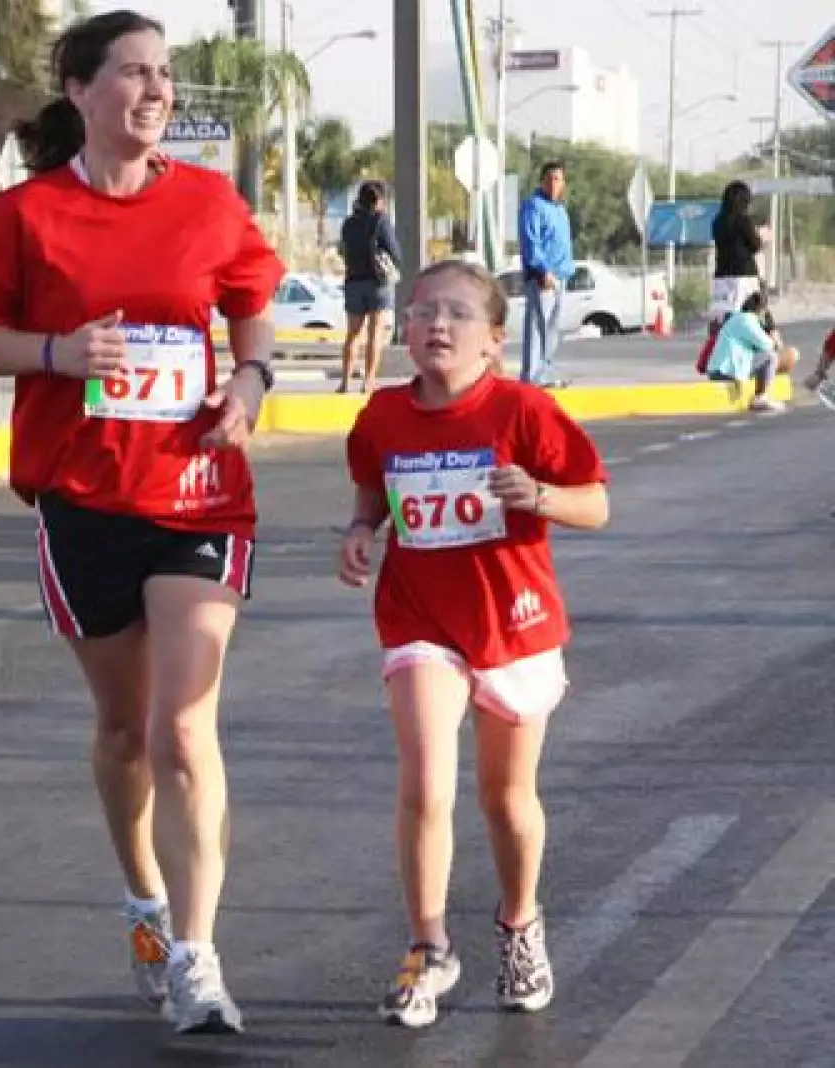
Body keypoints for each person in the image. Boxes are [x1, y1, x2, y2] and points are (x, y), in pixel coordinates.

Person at [0, 10, 283, 1035]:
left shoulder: (209, 202)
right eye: (133, 72)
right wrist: (59, 355)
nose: (155, 89)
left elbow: (251, 300)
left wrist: (250, 381)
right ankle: (143, 901)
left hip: (200, 494)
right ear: (79, 90)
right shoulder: (25, 216)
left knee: (182, 726)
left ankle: (197, 959)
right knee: (125, 731)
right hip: (83, 499)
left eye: (164, 74)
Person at [338, 260, 610, 1029]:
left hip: (515, 624)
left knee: (505, 799)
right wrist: (362, 533)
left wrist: (542, 495)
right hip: (420, 618)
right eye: (422, 312)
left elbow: (597, 503)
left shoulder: (523, 411)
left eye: (457, 314)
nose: (436, 326)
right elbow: (372, 489)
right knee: (425, 781)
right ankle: (428, 945)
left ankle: (521, 924)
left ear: (494, 340)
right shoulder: (383, 417)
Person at [338, 180, 403, 394]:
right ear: (380, 201)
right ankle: (368, 381)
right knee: (375, 335)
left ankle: (345, 382)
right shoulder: (381, 221)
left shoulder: (348, 224)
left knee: (352, 334)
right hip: (377, 283)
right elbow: (395, 252)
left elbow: (343, 251)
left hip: (354, 282)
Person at [517, 162, 574, 388]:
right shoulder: (533, 206)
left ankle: (546, 373)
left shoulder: (560, 211)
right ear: (542, 181)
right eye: (550, 178)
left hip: (560, 277)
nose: (554, 183)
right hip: (543, 278)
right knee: (537, 327)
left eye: (558, 179)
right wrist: (542, 270)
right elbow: (531, 241)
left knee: (551, 329)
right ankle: (531, 377)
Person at [704, 292, 789, 414]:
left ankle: (759, 395)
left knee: (765, 357)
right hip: (725, 372)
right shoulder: (748, 320)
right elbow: (767, 345)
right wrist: (775, 341)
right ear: (760, 310)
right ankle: (760, 397)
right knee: (771, 357)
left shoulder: (736, 318)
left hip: (718, 370)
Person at [710, 181, 763, 324]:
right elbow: (756, 245)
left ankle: (720, 344)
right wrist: (762, 236)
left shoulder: (717, 222)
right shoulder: (743, 220)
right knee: (747, 319)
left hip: (721, 275)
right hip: (743, 276)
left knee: (722, 318)